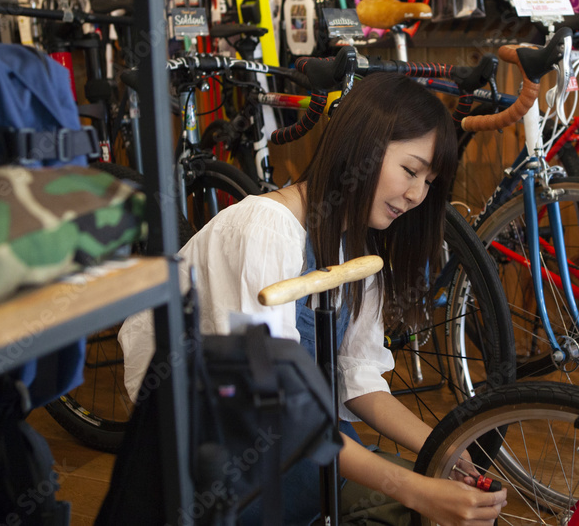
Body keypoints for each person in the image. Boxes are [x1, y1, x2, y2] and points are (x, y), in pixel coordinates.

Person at [119, 72, 506, 526]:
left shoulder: (355, 248)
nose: (418, 194)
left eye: (429, 181)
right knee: (421, 507)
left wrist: (443, 449)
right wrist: (417, 489)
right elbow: (266, 404)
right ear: (362, 146)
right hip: (219, 455)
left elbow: (357, 376)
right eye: (410, 170)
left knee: (450, 505)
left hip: (296, 436)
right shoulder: (266, 229)